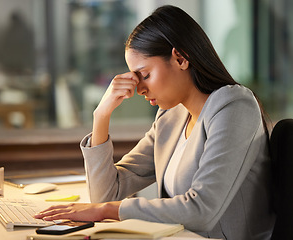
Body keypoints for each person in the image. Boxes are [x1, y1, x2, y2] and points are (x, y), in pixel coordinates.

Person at [35, 5, 275, 239]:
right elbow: (106, 193)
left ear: (180, 58)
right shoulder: (171, 117)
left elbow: (202, 211)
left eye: (145, 75)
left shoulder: (234, 106)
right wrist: (101, 115)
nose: (139, 88)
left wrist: (109, 211)